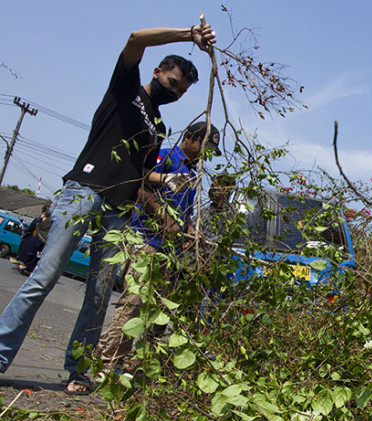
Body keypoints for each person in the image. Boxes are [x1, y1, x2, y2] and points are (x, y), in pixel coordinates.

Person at [0, 23, 216, 395]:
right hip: (84, 192)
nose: (175, 92)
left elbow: (140, 176)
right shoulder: (126, 89)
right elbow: (135, 39)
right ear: (156, 72)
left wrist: (162, 200)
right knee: (45, 277)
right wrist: (188, 35)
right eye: (173, 82)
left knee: (98, 296)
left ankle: (76, 370)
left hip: (117, 212)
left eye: (181, 91)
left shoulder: (159, 128)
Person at [96, 122, 221, 372]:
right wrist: (163, 217)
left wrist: (190, 232)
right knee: (132, 305)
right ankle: (108, 364)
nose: (204, 153)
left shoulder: (193, 174)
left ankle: (107, 356)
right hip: (146, 241)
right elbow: (139, 187)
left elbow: (183, 215)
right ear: (188, 138)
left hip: (166, 250)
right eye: (203, 146)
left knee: (145, 311)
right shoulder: (167, 157)